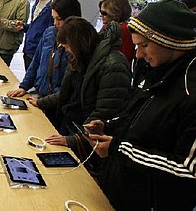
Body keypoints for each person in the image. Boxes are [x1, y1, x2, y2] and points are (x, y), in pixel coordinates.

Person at [87, 0, 196, 211]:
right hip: (120, 193)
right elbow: (136, 117)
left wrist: (119, 148)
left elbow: (192, 171)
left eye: (144, 45)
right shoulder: (159, 72)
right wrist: (108, 126)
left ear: (170, 42)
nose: (139, 54)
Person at [32, 17, 131, 162]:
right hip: (70, 128)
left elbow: (104, 114)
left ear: (78, 43)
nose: (66, 51)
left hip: (86, 143)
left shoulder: (113, 65)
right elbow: (67, 93)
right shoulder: (80, 57)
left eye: (67, 46)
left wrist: (74, 140)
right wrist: (40, 102)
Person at [7, 0, 81, 100]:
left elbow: (71, 86)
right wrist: (24, 86)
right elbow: (36, 61)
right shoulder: (49, 33)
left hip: (58, 101)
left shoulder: (79, 43)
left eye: (59, 19)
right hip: (40, 93)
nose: (56, 23)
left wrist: (44, 102)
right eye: (53, 18)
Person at [18, 0, 55, 70]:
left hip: (40, 51)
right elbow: (36, 25)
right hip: (29, 48)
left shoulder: (54, 4)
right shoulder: (37, 2)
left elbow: (52, 31)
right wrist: (24, 27)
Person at [98, 0, 135, 64]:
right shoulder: (107, 26)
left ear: (115, 13)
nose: (101, 15)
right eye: (101, 12)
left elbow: (123, 56)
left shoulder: (124, 29)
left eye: (104, 13)